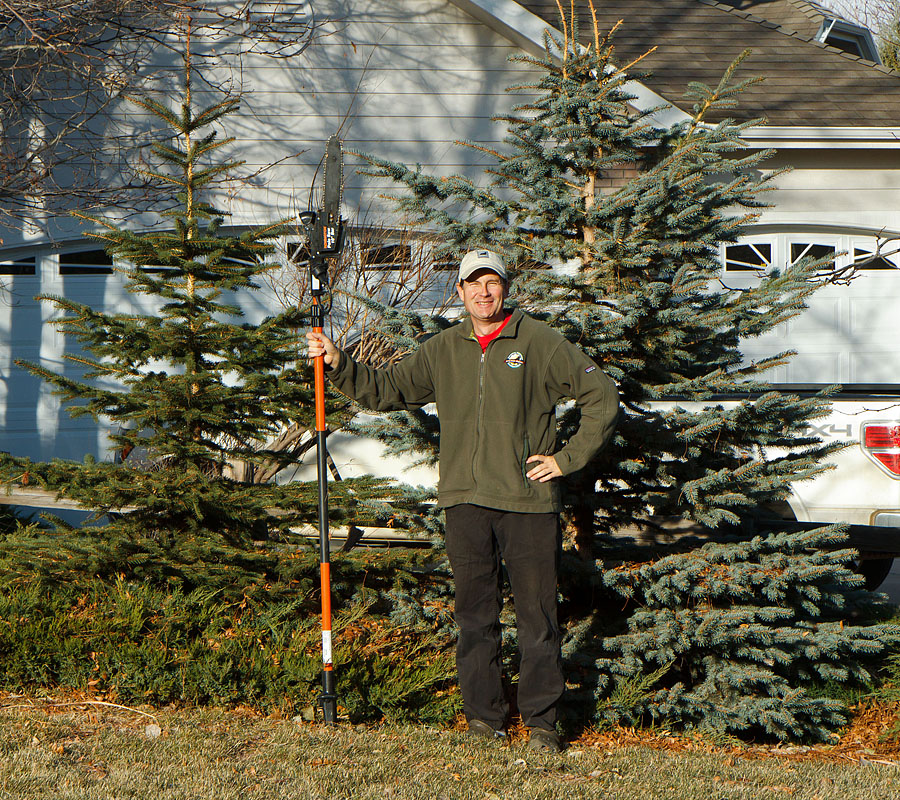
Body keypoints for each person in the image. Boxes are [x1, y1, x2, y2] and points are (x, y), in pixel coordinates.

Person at [306, 249, 618, 752]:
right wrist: (340, 363)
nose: (483, 292)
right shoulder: (443, 348)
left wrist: (565, 459)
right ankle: (484, 720)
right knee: (475, 616)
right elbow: (386, 390)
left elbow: (601, 396)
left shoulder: (539, 342)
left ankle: (541, 725)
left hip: (527, 501)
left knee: (538, 617)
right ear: (460, 291)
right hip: (465, 502)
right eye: (473, 284)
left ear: (505, 288)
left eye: (492, 282)